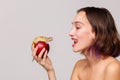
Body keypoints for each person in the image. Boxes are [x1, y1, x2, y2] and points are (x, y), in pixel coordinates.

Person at [32, 6, 120, 80]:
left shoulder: (112, 68)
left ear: (96, 32)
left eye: (78, 27)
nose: (70, 33)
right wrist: (50, 70)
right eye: (72, 27)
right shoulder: (79, 66)